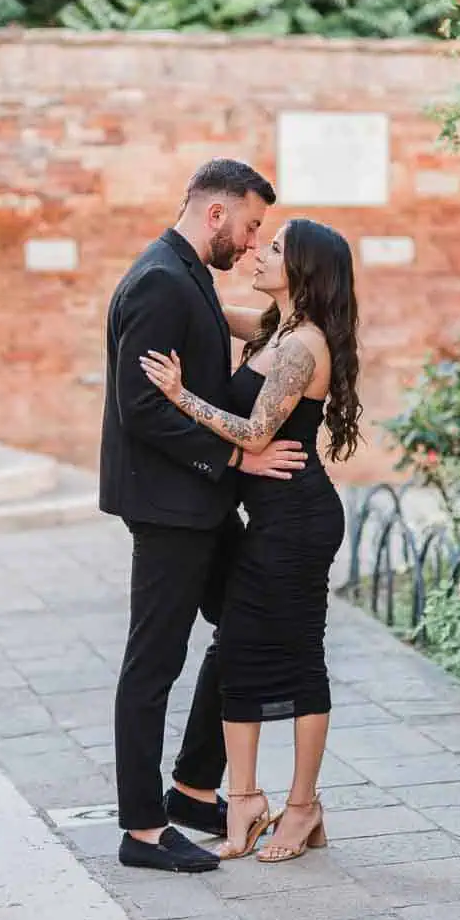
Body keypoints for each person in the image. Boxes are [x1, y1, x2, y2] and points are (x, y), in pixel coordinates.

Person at [101, 159, 308, 873]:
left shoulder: (188, 274)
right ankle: (142, 830)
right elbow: (140, 407)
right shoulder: (160, 279)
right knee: (153, 661)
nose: (251, 243)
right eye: (250, 226)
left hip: (201, 504)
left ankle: (192, 788)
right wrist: (236, 458)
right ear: (215, 213)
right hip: (170, 506)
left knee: (248, 623)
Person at [140, 218, 361, 863]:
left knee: (298, 654)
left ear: (303, 270)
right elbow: (212, 314)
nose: (259, 253)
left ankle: (303, 806)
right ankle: (242, 800)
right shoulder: (276, 328)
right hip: (271, 518)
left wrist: (179, 396)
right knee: (236, 647)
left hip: (298, 521)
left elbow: (256, 434)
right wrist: (171, 281)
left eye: (274, 248)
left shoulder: (301, 347)